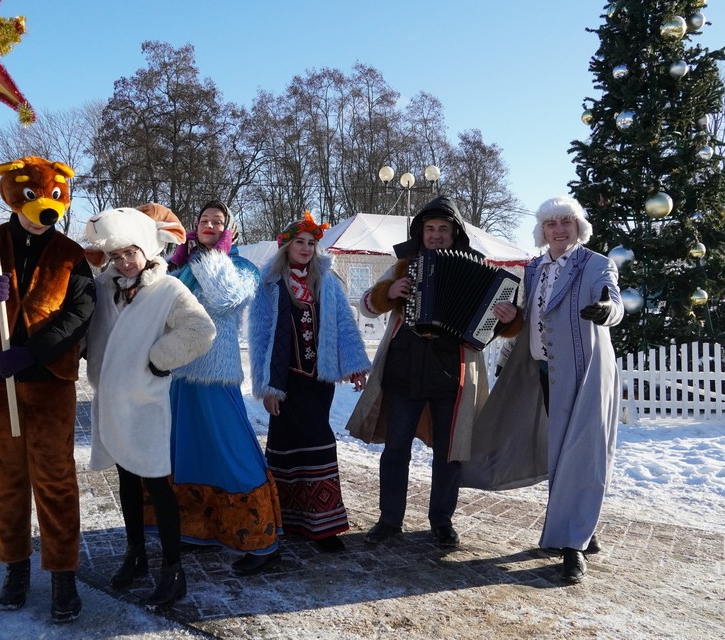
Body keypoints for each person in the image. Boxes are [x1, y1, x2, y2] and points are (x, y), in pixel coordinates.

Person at [0, 156, 94, 623]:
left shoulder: (72, 254)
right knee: (5, 479)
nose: (45, 207)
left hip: (48, 383)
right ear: (12, 196)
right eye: (35, 198)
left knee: (54, 479)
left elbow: (80, 315)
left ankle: (63, 573)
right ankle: (15, 567)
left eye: (55, 199)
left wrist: (35, 352)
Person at [347, 195, 513, 548]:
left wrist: (509, 320)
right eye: (429, 229)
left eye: (443, 229)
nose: (436, 235)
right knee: (396, 449)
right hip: (404, 369)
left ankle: (441, 520)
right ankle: (390, 519)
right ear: (420, 233)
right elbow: (367, 306)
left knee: (449, 452)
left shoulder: (478, 266)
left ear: (454, 234)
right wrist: (388, 291)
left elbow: (490, 328)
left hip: (453, 373)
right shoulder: (403, 266)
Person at [84, 205, 216, 610]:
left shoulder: (169, 290)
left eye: (132, 253)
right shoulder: (104, 288)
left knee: (157, 484)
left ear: (147, 250)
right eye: (117, 255)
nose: (125, 262)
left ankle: (173, 570)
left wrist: (160, 359)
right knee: (125, 481)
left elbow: (201, 328)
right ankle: (135, 553)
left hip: (146, 401)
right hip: (110, 399)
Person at [487, 195, 622, 584]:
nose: (559, 230)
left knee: (583, 454)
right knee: (560, 453)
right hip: (545, 372)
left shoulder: (596, 264)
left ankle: (572, 547)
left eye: (566, 222)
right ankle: (580, 527)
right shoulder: (533, 269)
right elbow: (534, 316)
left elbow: (612, 299)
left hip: (586, 372)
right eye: (551, 224)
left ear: (578, 226)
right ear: (542, 230)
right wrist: (514, 317)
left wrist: (607, 311)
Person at [163, 200, 283, 575]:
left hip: (218, 372)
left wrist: (206, 257)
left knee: (234, 450)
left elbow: (227, 299)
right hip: (179, 370)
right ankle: (196, 527)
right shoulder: (177, 267)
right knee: (186, 451)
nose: (210, 225)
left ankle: (262, 539)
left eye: (218, 222)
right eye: (204, 221)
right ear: (194, 226)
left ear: (228, 228)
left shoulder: (241, 265)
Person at [249, 211, 370, 552]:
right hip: (285, 379)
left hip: (319, 380)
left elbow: (344, 325)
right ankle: (288, 519)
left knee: (319, 440)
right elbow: (261, 338)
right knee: (286, 445)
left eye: (311, 243)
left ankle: (323, 526)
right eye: (299, 242)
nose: (305, 248)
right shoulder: (269, 284)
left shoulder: (327, 282)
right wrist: (267, 386)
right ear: (286, 246)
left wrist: (354, 365)